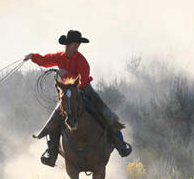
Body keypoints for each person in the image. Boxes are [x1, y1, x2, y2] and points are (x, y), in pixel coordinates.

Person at [24, 30, 131, 167]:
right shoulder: (60, 56)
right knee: (54, 119)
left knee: (106, 113)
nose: (70, 47)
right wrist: (32, 56)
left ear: (77, 45)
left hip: (85, 91)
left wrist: (66, 73)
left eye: (73, 45)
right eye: (69, 45)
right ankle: (52, 153)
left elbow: (83, 79)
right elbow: (45, 60)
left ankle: (121, 145)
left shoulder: (82, 61)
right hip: (67, 95)